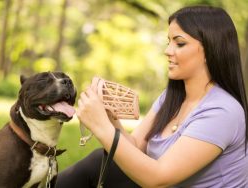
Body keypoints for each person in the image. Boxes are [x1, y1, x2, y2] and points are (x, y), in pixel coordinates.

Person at [56, 5, 248, 188]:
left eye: (179, 43)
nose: (167, 51)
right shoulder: (172, 98)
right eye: (168, 42)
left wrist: (100, 126)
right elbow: (137, 147)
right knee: (100, 161)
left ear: (210, 49)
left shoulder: (222, 112)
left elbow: (157, 179)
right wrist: (109, 118)